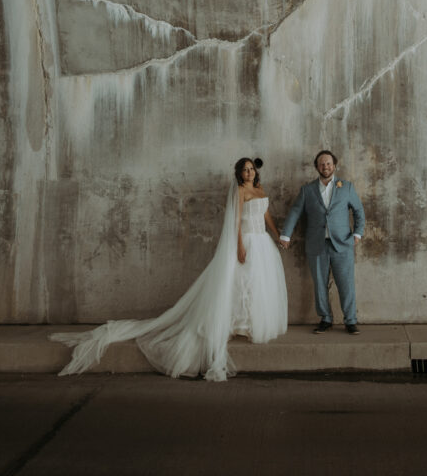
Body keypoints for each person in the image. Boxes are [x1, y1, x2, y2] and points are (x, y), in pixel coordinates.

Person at [50, 157, 287, 382]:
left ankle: (250, 324)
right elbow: (235, 222)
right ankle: (234, 325)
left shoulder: (260, 189)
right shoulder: (239, 191)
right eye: (244, 169)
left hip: (262, 243)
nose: (249, 172)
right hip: (246, 241)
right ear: (239, 174)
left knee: (256, 285)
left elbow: (266, 215)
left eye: (251, 169)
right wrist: (239, 246)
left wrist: (278, 236)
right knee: (237, 284)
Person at [280, 149, 365, 334]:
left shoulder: (347, 187)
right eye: (321, 164)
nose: (325, 166)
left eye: (328, 163)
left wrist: (357, 234)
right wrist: (285, 235)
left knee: (346, 284)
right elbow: (295, 212)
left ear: (334, 165)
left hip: (342, 244)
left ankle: (350, 320)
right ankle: (325, 318)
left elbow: (359, 211)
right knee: (320, 283)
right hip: (317, 245)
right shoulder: (307, 190)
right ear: (317, 167)